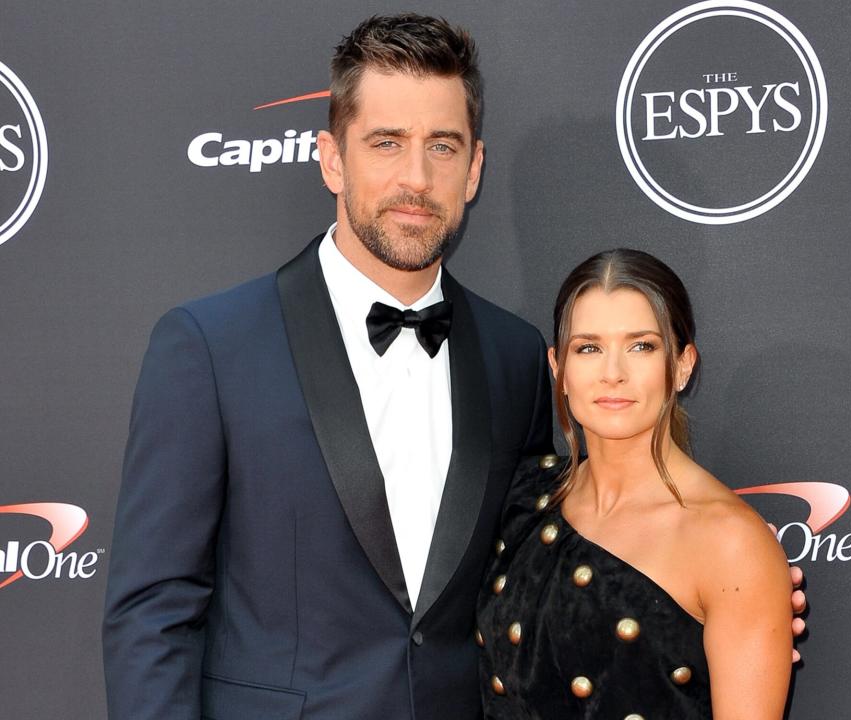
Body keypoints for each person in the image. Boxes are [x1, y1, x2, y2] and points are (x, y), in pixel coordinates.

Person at [103, 14, 805, 720]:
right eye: (386, 143)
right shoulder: (210, 345)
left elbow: (547, 566)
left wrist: (737, 595)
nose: (417, 178)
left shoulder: (514, 357)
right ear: (331, 159)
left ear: (473, 169)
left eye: (443, 146)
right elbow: (150, 615)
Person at [478, 248, 794, 719]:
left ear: (683, 365)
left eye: (641, 346)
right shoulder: (522, 496)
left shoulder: (730, 543)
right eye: (588, 347)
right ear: (557, 367)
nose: (612, 372)